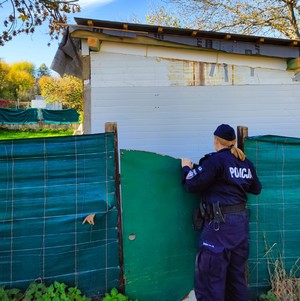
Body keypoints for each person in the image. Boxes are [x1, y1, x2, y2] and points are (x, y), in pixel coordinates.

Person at [181, 124, 262, 301]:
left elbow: (191, 183)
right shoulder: (245, 162)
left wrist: (186, 168)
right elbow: (256, 189)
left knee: (210, 281)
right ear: (232, 142)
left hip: (219, 227)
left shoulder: (216, 161)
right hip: (240, 227)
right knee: (236, 281)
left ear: (216, 142)